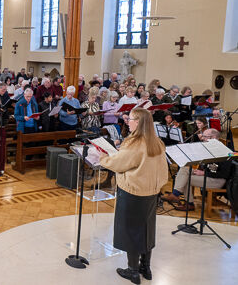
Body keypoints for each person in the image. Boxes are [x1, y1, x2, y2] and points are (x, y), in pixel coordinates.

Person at [99, 108, 168, 284]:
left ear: (138, 122)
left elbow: (120, 163)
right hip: (151, 192)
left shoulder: (135, 143)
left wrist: (103, 158)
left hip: (133, 192)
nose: (127, 121)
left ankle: (133, 271)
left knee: (131, 231)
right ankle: (146, 267)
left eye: (129, 119)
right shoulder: (157, 142)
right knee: (146, 229)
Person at [161, 129, 233, 212]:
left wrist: (204, 173)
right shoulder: (209, 148)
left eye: (204, 137)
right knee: (184, 168)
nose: (202, 139)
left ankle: (188, 203)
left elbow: (224, 174)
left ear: (213, 137)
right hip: (208, 175)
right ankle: (176, 194)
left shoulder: (224, 151)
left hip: (217, 180)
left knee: (185, 179)